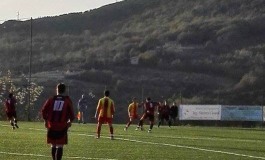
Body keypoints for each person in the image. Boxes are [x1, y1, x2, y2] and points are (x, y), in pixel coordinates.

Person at [41, 83, 75, 160]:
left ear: (57, 89)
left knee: (53, 145)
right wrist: (70, 121)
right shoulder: (67, 100)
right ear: (64, 90)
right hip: (62, 126)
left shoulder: (51, 99)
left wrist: (45, 120)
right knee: (60, 145)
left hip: (51, 125)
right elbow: (72, 114)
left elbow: (43, 111)